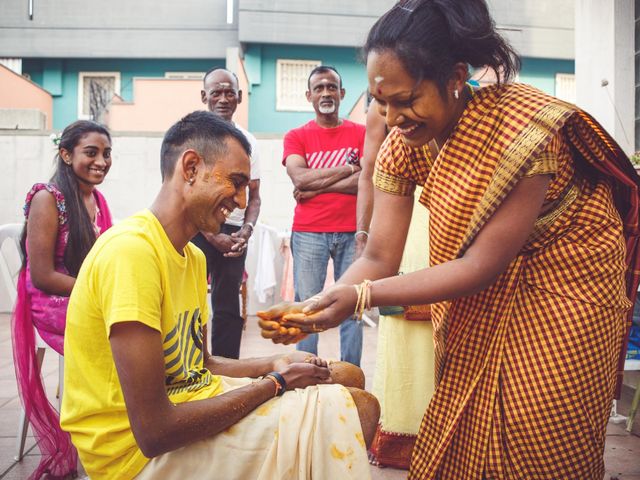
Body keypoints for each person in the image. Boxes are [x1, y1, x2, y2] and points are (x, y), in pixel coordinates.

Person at [260, 1, 640, 478]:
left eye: (405, 100)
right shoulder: (405, 145)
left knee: (540, 422)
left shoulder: (525, 133)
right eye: (381, 103)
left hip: (568, 283)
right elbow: (379, 255)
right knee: (467, 418)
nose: (392, 117)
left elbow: (481, 266)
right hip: (486, 285)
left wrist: (359, 297)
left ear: (456, 76)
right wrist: (318, 304)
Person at [60, 111, 379, 480]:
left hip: (189, 399)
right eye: (236, 182)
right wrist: (275, 384)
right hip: (131, 455)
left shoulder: (192, 256)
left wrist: (276, 362)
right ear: (191, 167)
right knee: (360, 408)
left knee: (346, 374)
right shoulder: (132, 252)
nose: (243, 200)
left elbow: (201, 365)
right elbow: (154, 432)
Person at [11, 120, 113, 479]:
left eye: (106, 153)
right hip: (52, 298)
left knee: (136, 318)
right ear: (66, 154)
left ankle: (117, 426)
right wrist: (97, 291)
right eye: (91, 152)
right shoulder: (47, 198)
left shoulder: (96, 198)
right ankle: (94, 432)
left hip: (81, 292)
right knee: (115, 331)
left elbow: (106, 260)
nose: (101, 160)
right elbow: (41, 276)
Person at [357, 99, 435, 469]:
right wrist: (364, 230)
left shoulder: (466, 98)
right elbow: (369, 167)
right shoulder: (379, 108)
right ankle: (404, 433)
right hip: (403, 209)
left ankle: (447, 433)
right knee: (402, 315)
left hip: (454, 211)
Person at [282, 65, 366, 366]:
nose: (326, 93)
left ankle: (352, 374)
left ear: (342, 93)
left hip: (351, 232)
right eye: (319, 88)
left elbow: (367, 180)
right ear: (309, 95)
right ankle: (306, 374)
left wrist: (317, 187)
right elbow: (299, 180)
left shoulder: (362, 133)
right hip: (309, 232)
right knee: (308, 308)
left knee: (352, 307)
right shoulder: (296, 136)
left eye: (332, 87)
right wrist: (348, 169)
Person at [191, 67, 261, 358]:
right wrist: (212, 234)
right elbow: (185, 192)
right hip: (195, 229)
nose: (222, 98)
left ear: (239, 97)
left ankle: (227, 368)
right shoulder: (193, 136)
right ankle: (191, 367)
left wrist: (245, 232)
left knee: (228, 306)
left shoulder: (248, 142)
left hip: (233, 235)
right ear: (204, 96)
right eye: (216, 92)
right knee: (190, 303)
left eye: (229, 92)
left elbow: (254, 196)